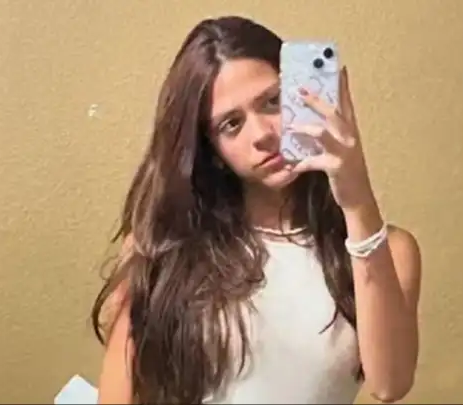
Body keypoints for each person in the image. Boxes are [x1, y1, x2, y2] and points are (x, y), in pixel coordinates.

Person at [90, 15, 422, 405]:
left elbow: (390, 384)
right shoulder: (164, 248)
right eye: (232, 124)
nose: (263, 134)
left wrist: (357, 199)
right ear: (212, 150)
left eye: (273, 101)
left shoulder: (389, 251)